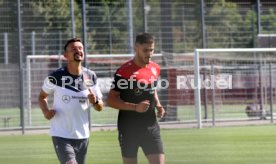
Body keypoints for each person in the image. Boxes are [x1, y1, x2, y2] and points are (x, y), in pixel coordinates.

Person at [38, 38, 103, 164]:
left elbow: (100, 107)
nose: (78, 51)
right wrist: (46, 111)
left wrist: (95, 102)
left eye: (80, 48)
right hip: (61, 135)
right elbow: (42, 96)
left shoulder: (91, 76)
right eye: (74, 49)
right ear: (65, 55)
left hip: (83, 136)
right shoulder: (55, 76)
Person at [107, 32, 166, 164]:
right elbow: (111, 100)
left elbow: (152, 89)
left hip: (151, 127)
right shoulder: (124, 72)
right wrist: (135, 107)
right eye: (145, 50)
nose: (149, 54)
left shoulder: (155, 68)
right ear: (136, 48)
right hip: (129, 128)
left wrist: (158, 104)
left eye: (152, 50)